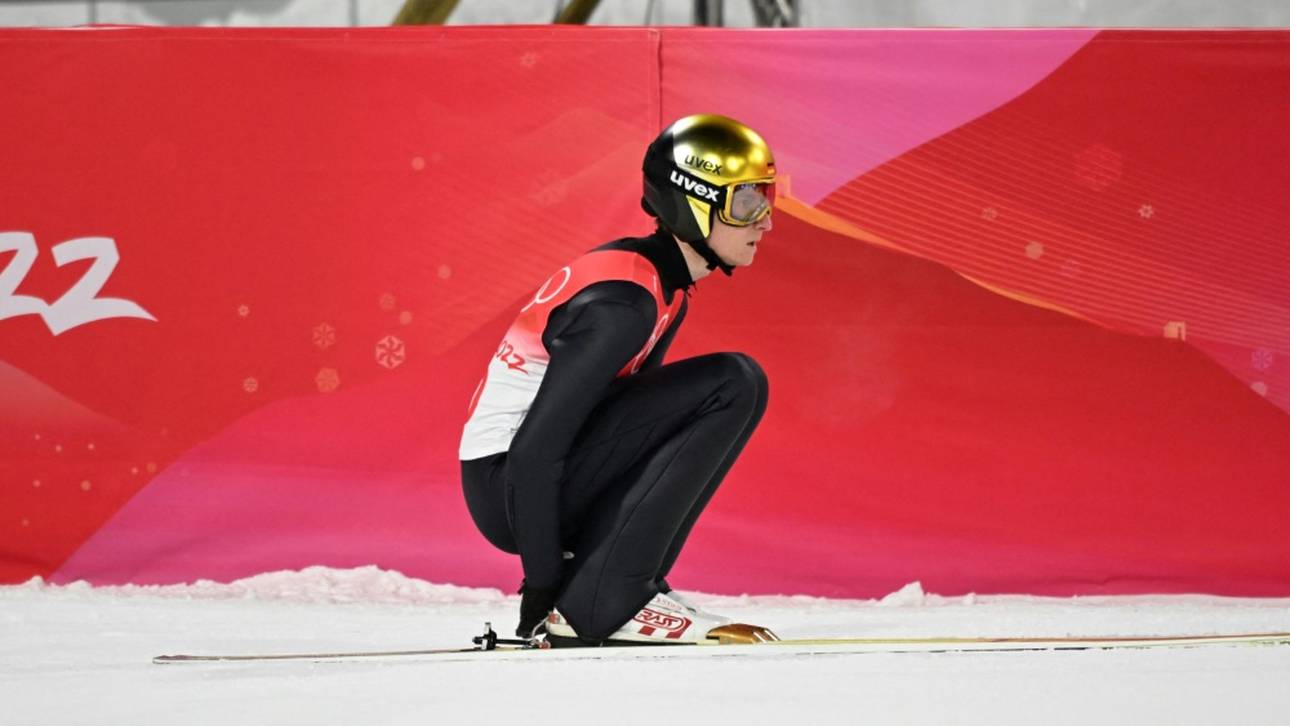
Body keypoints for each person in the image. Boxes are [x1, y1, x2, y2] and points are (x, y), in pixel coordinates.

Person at [459, 114, 776, 647]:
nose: (764, 222)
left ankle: (617, 587)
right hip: (509, 486)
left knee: (737, 384)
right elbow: (536, 451)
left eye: (765, 199)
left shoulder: (661, 289)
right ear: (694, 203)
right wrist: (542, 584)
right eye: (746, 203)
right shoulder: (623, 304)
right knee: (734, 381)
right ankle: (607, 598)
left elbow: (633, 437)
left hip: (533, 478)